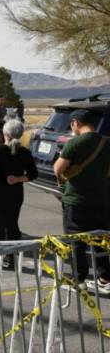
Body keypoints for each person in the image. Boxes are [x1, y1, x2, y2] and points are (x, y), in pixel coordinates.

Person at [54, 109, 110, 293]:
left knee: (75, 240)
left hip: (76, 201)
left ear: (75, 123)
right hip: (101, 200)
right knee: (100, 239)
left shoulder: (74, 143)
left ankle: (78, 280)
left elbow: (58, 169)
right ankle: (105, 277)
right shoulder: (106, 142)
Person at [0, 120, 37, 268]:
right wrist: (17, 179)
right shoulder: (25, 152)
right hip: (16, 193)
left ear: (5, 133)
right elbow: (33, 175)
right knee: (12, 224)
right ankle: (11, 258)